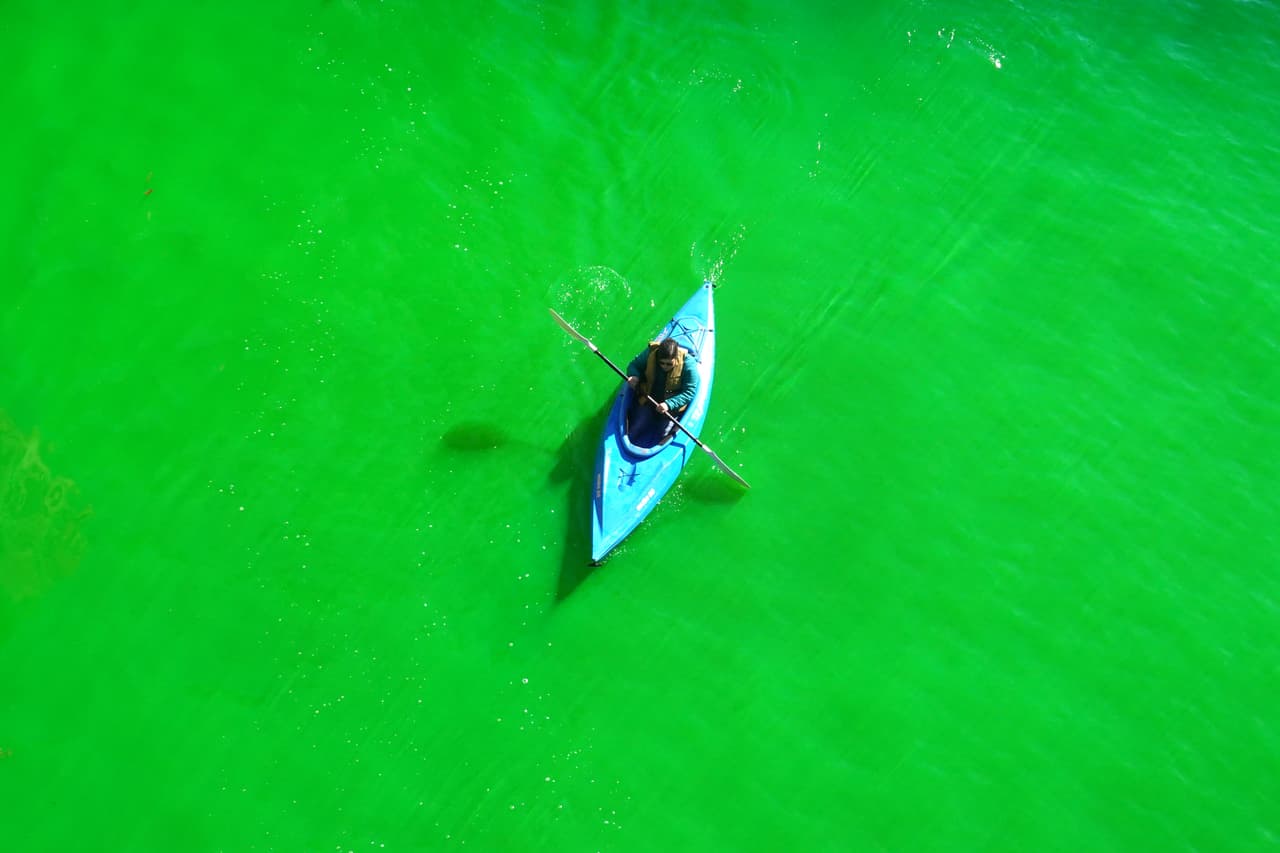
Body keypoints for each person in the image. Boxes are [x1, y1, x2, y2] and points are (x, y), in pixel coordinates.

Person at [624, 337, 699, 447]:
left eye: (669, 364)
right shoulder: (651, 353)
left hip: (670, 409)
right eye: (662, 363)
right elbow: (634, 365)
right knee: (636, 428)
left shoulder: (688, 364)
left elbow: (689, 392)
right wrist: (634, 375)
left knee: (662, 434)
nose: (664, 366)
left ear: (676, 358)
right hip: (648, 400)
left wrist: (669, 404)